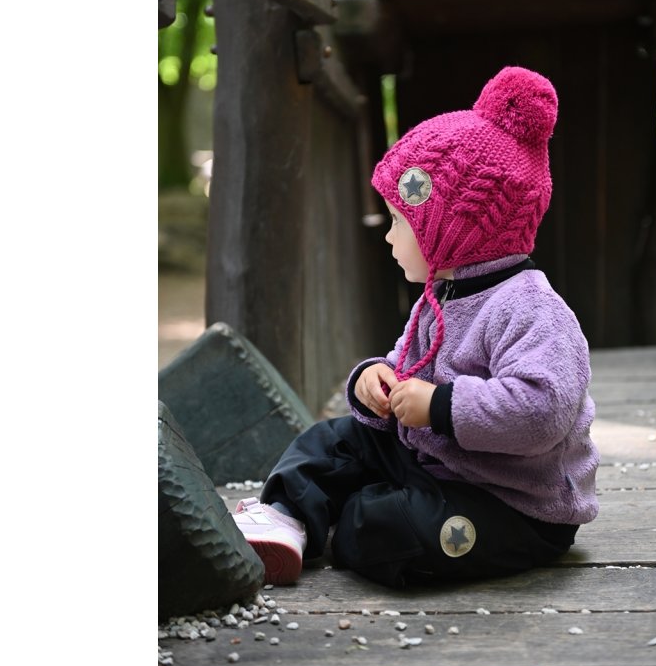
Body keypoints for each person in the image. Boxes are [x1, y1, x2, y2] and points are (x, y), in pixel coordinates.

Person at [233, 66, 599, 587]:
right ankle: (284, 519)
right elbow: (406, 366)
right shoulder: (440, 295)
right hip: (435, 463)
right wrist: (376, 382)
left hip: (513, 503)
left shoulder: (532, 309)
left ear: (454, 229)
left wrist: (440, 406)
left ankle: (349, 515)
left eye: (398, 222)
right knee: (330, 441)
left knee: (385, 528)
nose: (388, 237)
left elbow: (543, 412)